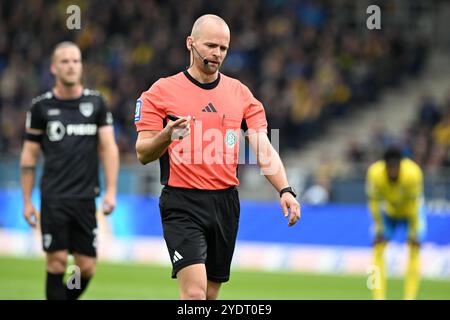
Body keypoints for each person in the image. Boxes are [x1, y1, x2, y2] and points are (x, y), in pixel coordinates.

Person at [135, 14, 301, 300]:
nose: (217, 53)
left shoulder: (241, 94)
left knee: (211, 296)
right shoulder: (160, 93)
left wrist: (284, 189)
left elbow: (263, 147)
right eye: (211, 45)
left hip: (225, 204)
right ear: (191, 43)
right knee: (195, 296)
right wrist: (167, 135)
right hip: (181, 202)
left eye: (223, 48)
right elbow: (142, 153)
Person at [20, 41, 119, 300]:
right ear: (54, 68)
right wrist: (27, 201)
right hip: (54, 198)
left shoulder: (96, 103)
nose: (71, 66)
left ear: (81, 66)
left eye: (76, 60)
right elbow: (29, 156)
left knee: (85, 267)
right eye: (65, 61)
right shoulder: (41, 107)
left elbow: (108, 148)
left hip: (86, 198)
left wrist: (111, 191)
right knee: (57, 262)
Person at [366, 146, 426, 300]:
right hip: (389, 213)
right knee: (377, 248)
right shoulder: (375, 173)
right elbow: (373, 203)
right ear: (384, 165)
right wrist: (379, 228)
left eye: (396, 167)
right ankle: (378, 297)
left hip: (410, 213)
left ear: (402, 164)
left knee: (414, 249)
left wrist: (413, 232)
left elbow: (415, 204)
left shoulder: (413, 173)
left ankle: (410, 297)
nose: (393, 171)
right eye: (389, 167)